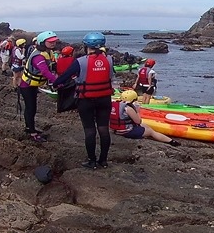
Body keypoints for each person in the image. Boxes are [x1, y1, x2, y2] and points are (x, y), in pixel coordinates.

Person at [53, 32, 115, 169]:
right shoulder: (110, 59)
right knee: (104, 129)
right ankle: (103, 161)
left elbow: (64, 77)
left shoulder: (80, 62)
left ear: (86, 45)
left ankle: (92, 161)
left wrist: (55, 83)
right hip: (105, 99)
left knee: (89, 130)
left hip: (86, 99)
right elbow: (110, 76)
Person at [20, 31, 58, 142]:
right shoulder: (38, 56)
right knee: (30, 108)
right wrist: (58, 82)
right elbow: (45, 72)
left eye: (54, 41)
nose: (53, 43)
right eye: (50, 42)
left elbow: (52, 67)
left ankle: (30, 127)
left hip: (33, 85)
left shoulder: (48, 53)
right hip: (26, 86)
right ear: (42, 42)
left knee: (32, 108)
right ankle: (31, 132)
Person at [110, 90, 181, 146]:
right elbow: (138, 121)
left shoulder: (113, 105)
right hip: (126, 131)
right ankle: (171, 142)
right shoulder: (128, 108)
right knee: (151, 132)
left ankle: (167, 139)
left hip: (116, 129)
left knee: (146, 126)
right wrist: (137, 111)